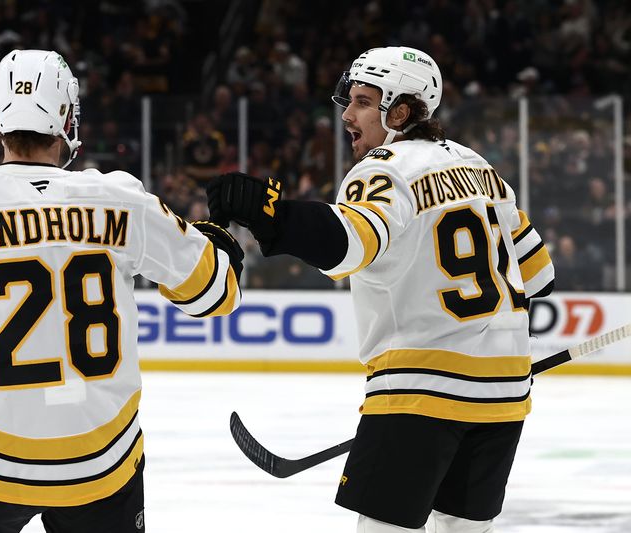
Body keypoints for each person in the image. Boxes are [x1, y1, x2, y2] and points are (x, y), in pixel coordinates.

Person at [0, 49, 243, 533]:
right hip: (100, 463)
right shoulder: (122, 198)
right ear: (67, 117)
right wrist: (219, 241)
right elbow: (215, 294)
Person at [208, 46, 555, 532]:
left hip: (420, 389)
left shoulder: (384, 168)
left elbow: (349, 245)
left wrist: (274, 217)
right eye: (349, 100)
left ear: (401, 112)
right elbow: (539, 276)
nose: (347, 114)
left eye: (364, 102)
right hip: (506, 393)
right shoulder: (482, 169)